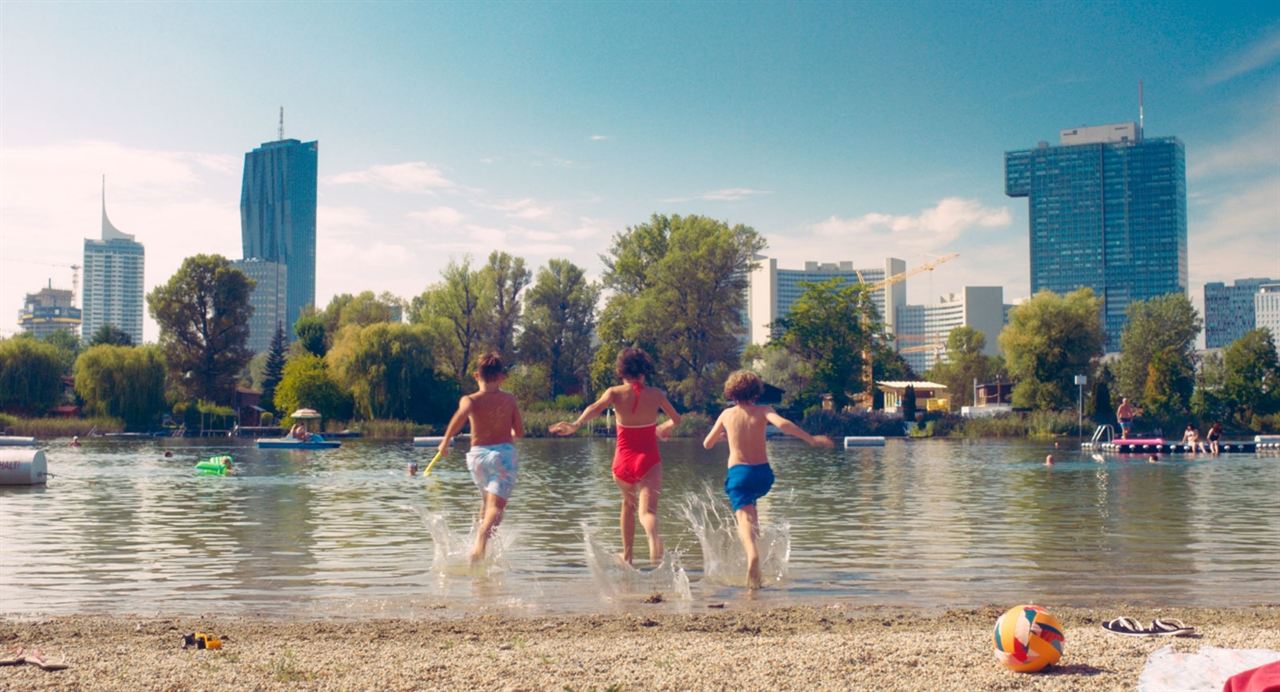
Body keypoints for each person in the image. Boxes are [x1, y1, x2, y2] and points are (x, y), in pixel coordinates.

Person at [703, 370, 833, 589]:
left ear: (731, 393)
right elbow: (783, 425)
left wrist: (723, 437)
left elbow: (707, 443)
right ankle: (759, 576)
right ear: (756, 391)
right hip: (763, 475)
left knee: (744, 519)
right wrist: (810, 439)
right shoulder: (764, 410)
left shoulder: (726, 415)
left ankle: (753, 556)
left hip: (739, 475)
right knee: (752, 514)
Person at [550, 347, 681, 565]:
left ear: (621, 371)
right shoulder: (657, 395)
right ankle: (653, 538)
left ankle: (628, 556)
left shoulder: (614, 393)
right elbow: (677, 419)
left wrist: (576, 425)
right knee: (647, 512)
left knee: (628, 505)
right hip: (648, 459)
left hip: (623, 461)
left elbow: (595, 407)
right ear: (645, 370)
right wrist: (662, 428)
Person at [438, 352, 524, 564]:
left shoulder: (469, 400)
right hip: (502, 456)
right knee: (496, 507)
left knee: (487, 502)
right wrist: (509, 435)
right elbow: (519, 432)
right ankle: (480, 544)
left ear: (477, 376)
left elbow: (460, 416)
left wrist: (446, 440)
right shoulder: (509, 399)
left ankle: (482, 545)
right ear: (502, 377)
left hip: (476, 458)